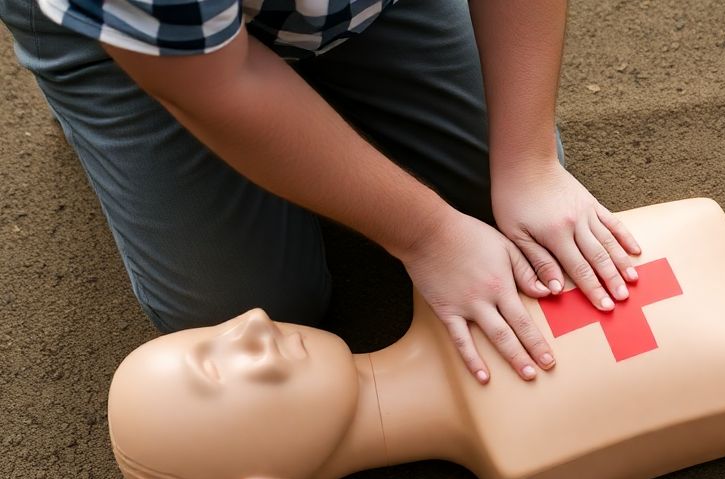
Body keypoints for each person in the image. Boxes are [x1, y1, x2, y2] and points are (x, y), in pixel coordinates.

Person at [0, 0, 638, 385]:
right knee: (251, 316)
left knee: (509, 190)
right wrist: (428, 235)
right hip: (153, 41)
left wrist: (526, 163)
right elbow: (225, 83)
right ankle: (87, 71)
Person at [104, 199, 725, 479]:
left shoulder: (443, 276)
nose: (250, 325)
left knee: (478, 168)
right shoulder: (522, 457)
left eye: (213, 334)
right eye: (217, 372)